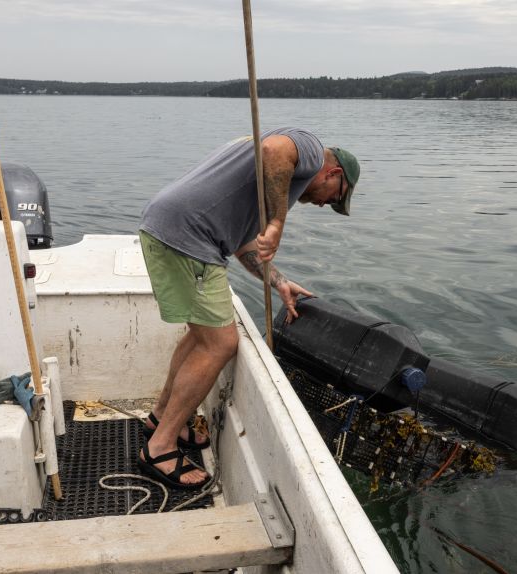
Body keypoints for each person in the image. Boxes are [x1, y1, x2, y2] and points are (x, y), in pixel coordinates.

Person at [137, 127, 360, 489]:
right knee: (221, 343)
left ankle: (161, 417)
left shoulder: (277, 185)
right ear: (333, 173)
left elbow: (243, 246)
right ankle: (159, 446)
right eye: (336, 198)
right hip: (188, 236)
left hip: (178, 230)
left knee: (202, 337)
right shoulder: (310, 148)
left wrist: (278, 281)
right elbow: (274, 148)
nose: (325, 205)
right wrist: (276, 223)